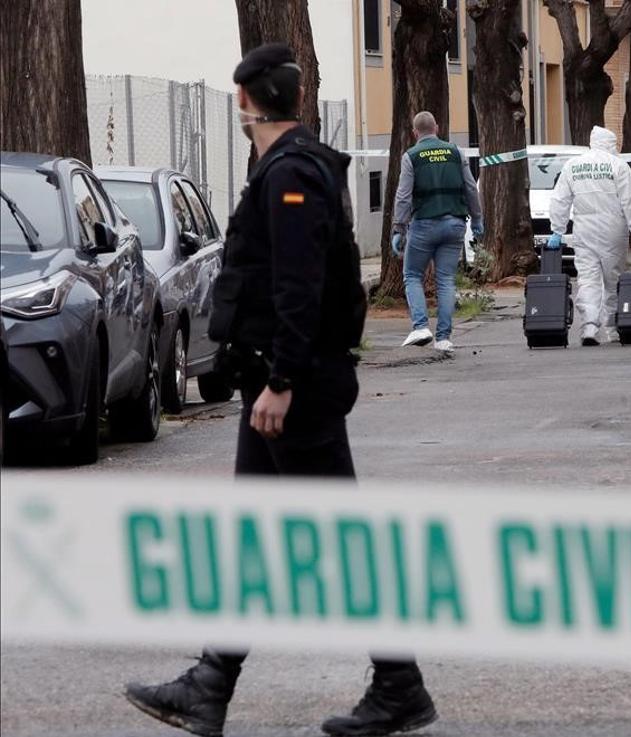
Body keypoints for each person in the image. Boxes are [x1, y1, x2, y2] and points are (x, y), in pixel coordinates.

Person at [123, 44, 438, 737]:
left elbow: (301, 287)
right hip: (279, 385)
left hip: (294, 390)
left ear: (245, 101)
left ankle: (398, 683)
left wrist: (282, 380)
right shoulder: (285, 166)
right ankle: (211, 684)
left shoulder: (290, 173)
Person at [391, 111, 484, 353]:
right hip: (454, 225)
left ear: (415, 132)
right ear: (437, 127)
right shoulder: (456, 152)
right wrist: (477, 219)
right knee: (445, 281)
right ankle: (443, 338)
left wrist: (399, 228)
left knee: (412, 275)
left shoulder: (411, 156)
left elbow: (403, 196)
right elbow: (471, 188)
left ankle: (421, 326)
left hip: (423, 225)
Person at [548, 125, 631, 346]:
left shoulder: (573, 166)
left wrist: (557, 229)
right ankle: (613, 328)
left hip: (584, 229)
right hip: (613, 228)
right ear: (611, 144)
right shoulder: (618, 166)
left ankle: (590, 327)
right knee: (613, 279)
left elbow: (560, 199)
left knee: (588, 279)